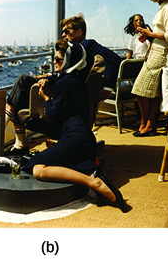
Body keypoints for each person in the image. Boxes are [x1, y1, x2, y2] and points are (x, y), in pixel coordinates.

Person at [22, 38, 127, 213]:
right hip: (84, 139)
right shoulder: (77, 80)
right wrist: (50, 81)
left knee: (38, 169)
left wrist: (47, 99)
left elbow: (54, 116)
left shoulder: (64, 83)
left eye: (58, 59)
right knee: (48, 160)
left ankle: (94, 182)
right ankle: (92, 174)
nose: (54, 62)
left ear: (69, 60)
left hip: (75, 138)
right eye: (54, 59)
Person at [4, 14, 121, 153]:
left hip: (67, 94)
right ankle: (19, 142)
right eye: (62, 31)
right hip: (62, 86)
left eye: (67, 31)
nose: (63, 34)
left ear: (79, 32)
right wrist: (48, 77)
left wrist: (108, 87)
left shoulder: (88, 45)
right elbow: (66, 72)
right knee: (21, 91)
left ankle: (6, 132)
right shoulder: (70, 49)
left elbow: (113, 58)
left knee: (23, 81)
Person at [132, 0, 168, 137]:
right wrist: (148, 37)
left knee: (141, 88)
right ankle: (148, 123)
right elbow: (163, 34)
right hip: (155, 50)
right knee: (151, 92)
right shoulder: (163, 7)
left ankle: (148, 123)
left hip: (161, 52)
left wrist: (149, 34)